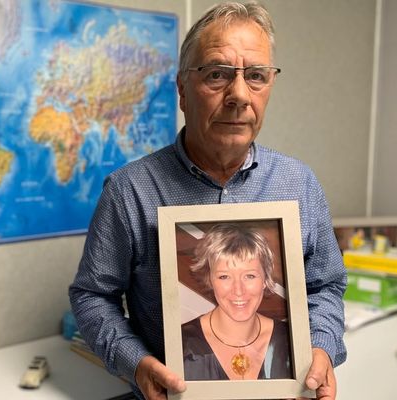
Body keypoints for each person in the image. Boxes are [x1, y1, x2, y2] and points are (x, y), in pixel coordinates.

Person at [69, 2, 346, 399]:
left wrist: (321, 348)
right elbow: (93, 296)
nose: (238, 95)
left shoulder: (300, 183)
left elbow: (326, 286)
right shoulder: (129, 191)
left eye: (255, 76)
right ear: (182, 89)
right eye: (217, 74)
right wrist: (136, 364)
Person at [181, 224, 291, 381]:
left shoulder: (290, 339)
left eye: (250, 276)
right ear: (210, 280)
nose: (238, 290)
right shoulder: (181, 344)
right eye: (224, 277)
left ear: (265, 279)